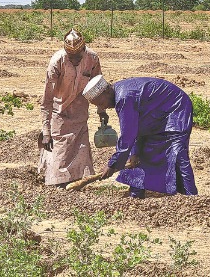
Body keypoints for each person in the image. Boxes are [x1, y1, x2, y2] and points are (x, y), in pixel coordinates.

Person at [82, 75, 198, 198]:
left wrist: (112, 164)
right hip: (155, 114)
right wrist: (134, 152)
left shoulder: (124, 97)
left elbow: (128, 135)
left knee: (177, 152)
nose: (103, 107)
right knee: (136, 155)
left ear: (106, 91)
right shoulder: (120, 94)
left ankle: (191, 197)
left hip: (176, 108)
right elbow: (133, 129)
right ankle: (136, 193)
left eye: (101, 102)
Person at [38, 28, 107, 187]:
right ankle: (57, 185)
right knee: (60, 153)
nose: (75, 60)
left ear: (84, 49)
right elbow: (47, 98)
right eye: (71, 57)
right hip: (60, 112)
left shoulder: (92, 59)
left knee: (80, 152)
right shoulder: (57, 61)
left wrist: (101, 110)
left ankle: (77, 183)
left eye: (78, 56)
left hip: (80, 112)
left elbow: (98, 88)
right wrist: (46, 131)